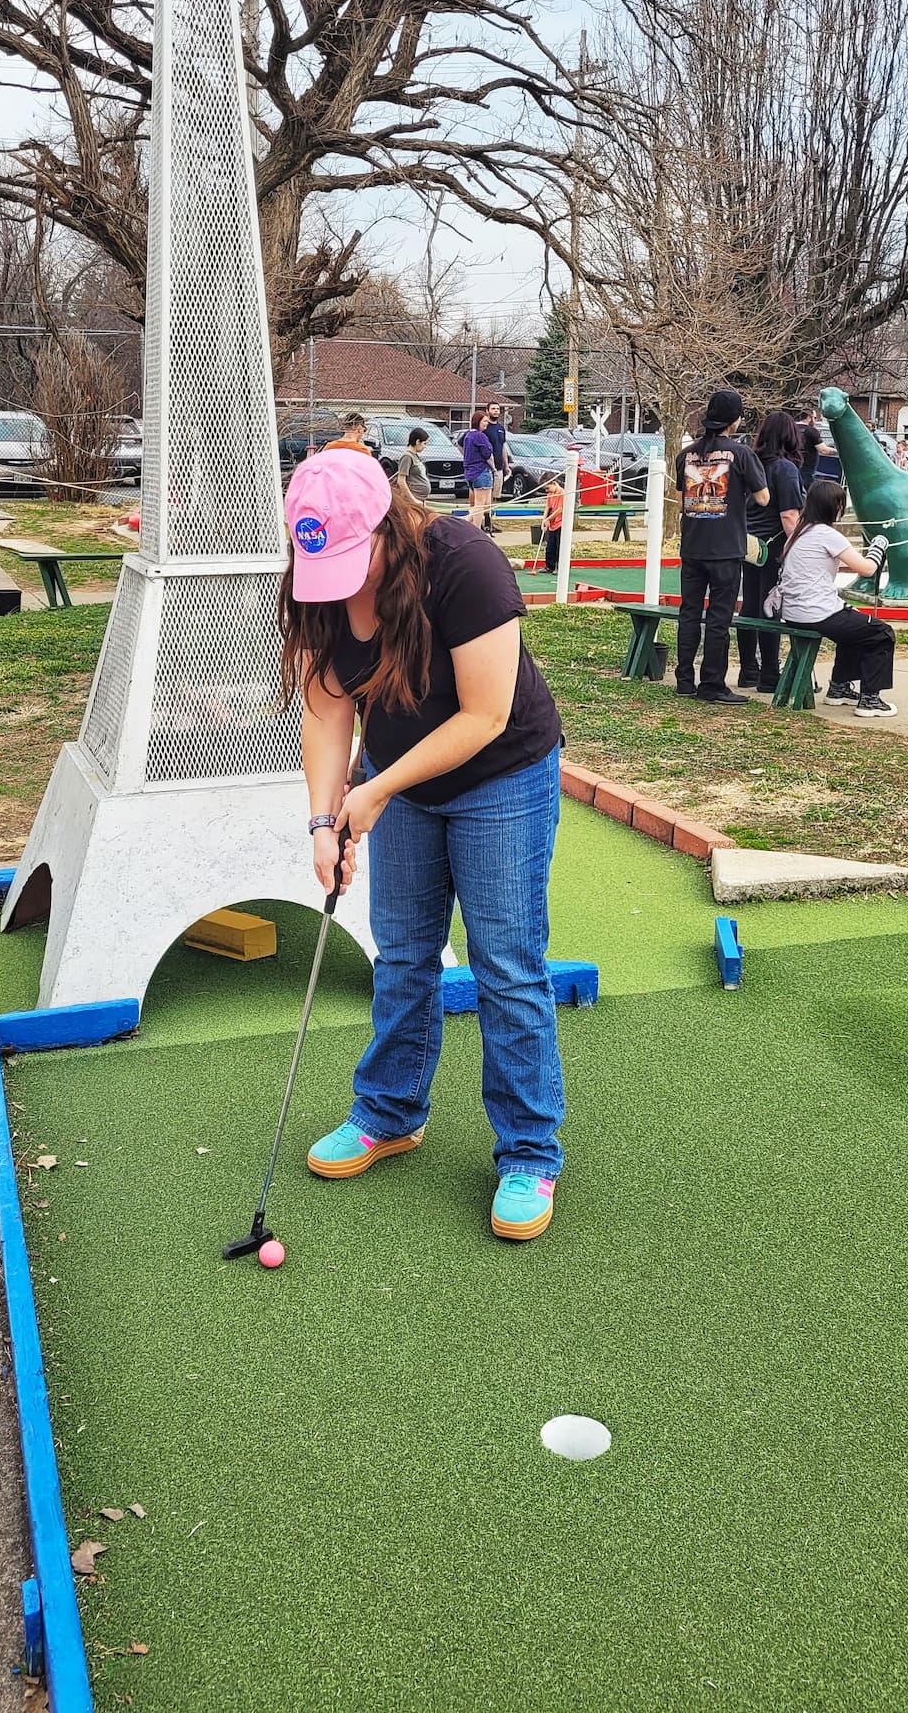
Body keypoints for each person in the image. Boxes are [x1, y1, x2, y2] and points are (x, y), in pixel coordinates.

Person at [279, 448, 566, 1242]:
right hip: (401, 777)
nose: (339, 582)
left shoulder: (464, 566)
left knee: (505, 963)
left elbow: (484, 715)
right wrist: (322, 819)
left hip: (501, 774)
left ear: (386, 525)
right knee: (402, 953)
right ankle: (390, 1112)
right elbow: (328, 710)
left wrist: (374, 790)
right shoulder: (318, 582)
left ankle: (529, 1152)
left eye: (349, 559)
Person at [674, 388, 769, 705]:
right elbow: (763, 497)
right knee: (718, 617)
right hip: (727, 548)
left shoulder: (685, 455)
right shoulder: (741, 455)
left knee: (689, 613)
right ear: (735, 420)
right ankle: (712, 684)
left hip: (692, 545)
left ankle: (684, 680)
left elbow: (681, 499)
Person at [776, 481, 897, 716]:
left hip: (793, 612)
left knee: (853, 629)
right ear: (835, 507)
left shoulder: (798, 532)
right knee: (882, 633)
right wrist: (878, 547)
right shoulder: (828, 534)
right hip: (816, 612)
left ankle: (839, 687)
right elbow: (867, 569)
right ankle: (870, 699)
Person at [736, 410, 805, 694]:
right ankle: (769, 674)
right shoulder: (785, 469)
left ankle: (747, 669)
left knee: (750, 604)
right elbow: (789, 514)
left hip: (747, 541)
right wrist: (800, 546)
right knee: (770, 606)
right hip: (774, 543)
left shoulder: (749, 463)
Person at [462, 410, 496, 531]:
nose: (487, 423)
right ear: (478, 422)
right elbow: (488, 455)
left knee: (486, 503)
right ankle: (473, 528)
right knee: (480, 504)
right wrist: (494, 469)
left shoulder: (468, 435)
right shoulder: (480, 436)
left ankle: (468, 524)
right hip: (481, 471)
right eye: (485, 421)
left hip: (470, 472)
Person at [484, 402, 509, 506]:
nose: (496, 411)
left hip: (499, 467)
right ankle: (484, 519)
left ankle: (490, 516)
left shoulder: (501, 428)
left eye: (497, 409)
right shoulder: (484, 427)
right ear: (487, 411)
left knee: (495, 496)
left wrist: (506, 465)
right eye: (493, 409)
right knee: (485, 496)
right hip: (486, 468)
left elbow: (502, 447)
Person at [399, 425, 432, 503]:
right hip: (412, 501)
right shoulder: (407, 457)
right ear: (417, 442)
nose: (425, 447)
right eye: (424, 443)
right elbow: (401, 481)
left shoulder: (415, 456)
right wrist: (413, 500)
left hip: (420, 500)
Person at [541, 472, 565, 573]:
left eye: (547, 488)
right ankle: (549, 566)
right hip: (552, 524)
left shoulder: (562, 493)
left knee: (559, 546)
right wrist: (544, 520)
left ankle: (559, 567)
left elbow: (560, 509)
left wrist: (548, 519)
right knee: (550, 546)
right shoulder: (550, 494)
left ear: (554, 483)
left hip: (561, 524)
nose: (547, 491)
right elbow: (548, 507)